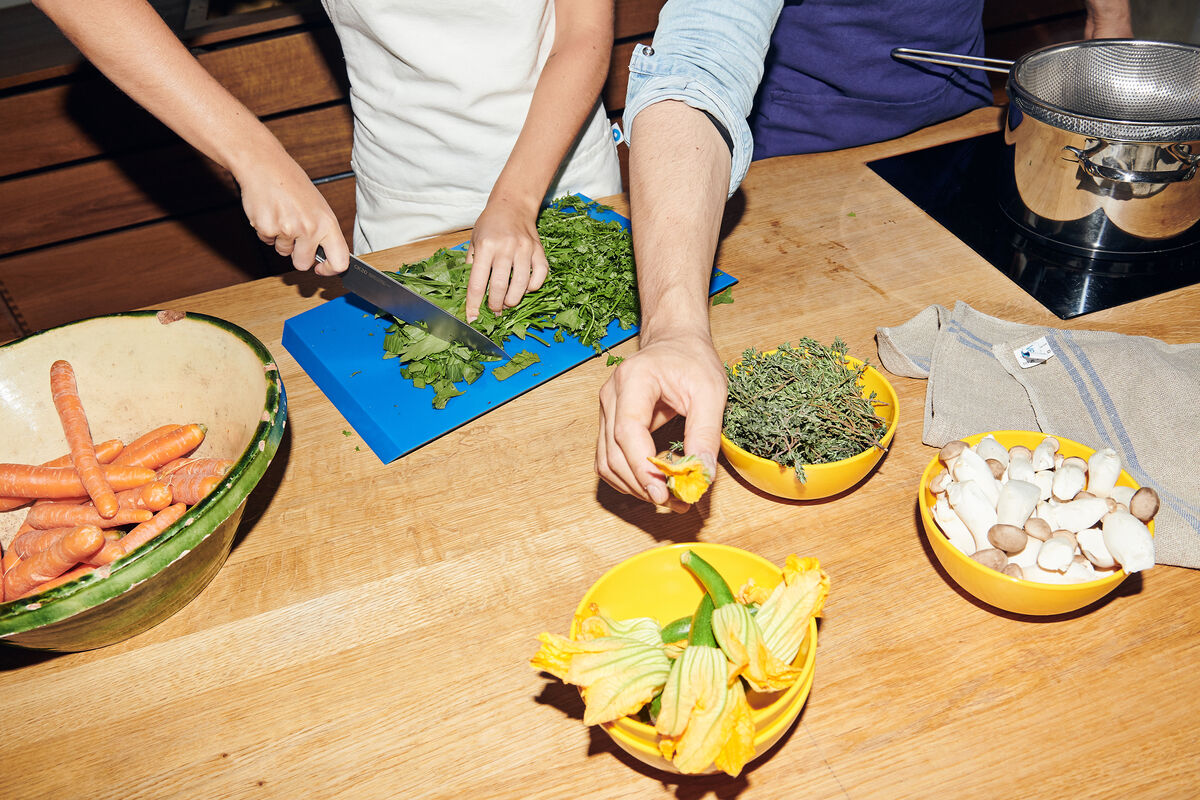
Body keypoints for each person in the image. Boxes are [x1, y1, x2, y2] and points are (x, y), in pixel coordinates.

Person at [595, 0, 1133, 513]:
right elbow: (699, 58)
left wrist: (1108, 15)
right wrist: (674, 332)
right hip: (800, 136)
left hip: (954, 110)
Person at [31, 0, 622, 321]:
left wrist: (516, 201)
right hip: (405, 200)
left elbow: (582, 33)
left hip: (564, 177)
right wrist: (254, 156)